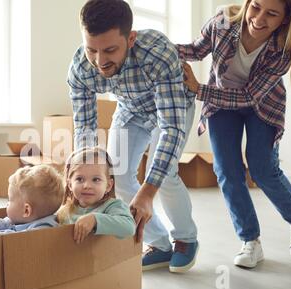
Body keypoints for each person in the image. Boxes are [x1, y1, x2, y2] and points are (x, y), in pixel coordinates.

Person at [67, 0, 199, 272]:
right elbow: (85, 128)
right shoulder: (81, 68)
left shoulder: (158, 53)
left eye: (110, 50)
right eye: (92, 49)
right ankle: (160, 244)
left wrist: (148, 191)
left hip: (172, 107)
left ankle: (186, 239)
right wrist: (84, 175)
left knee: (165, 172)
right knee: (117, 173)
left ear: (131, 38)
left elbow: (171, 128)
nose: (100, 61)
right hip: (131, 109)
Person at [178, 0, 291, 268]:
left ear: (285, 18)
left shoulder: (283, 50)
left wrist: (199, 89)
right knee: (226, 170)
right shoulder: (222, 23)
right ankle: (250, 241)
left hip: (262, 106)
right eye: (255, 6)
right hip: (222, 104)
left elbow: (249, 96)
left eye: (271, 13)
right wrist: (158, 48)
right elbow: (196, 50)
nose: (258, 18)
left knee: (262, 169)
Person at [56, 147, 136, 244]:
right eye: (80, 179)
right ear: (70, 185)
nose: (87, 186)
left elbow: (129, 228)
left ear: (108, 186)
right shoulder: (65, 211)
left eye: (96, 180)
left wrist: (95, 219)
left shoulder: (113, 206)